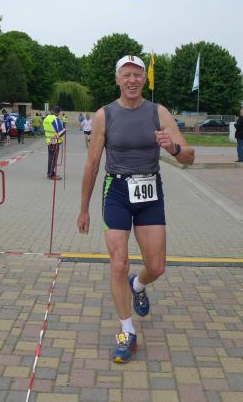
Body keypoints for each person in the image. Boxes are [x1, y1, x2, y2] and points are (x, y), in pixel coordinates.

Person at [77, 55, 194, 363]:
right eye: (126, 75)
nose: (132, 80)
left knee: (157, 267)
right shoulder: (104, 115)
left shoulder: (158, 112)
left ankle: (138, 285)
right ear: (118, 79)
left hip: (149, 191)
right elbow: (92, 165)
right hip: (116, 191)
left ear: (144, 79)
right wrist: (83, 209)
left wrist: (173, 147)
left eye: (137, 75)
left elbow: (189, 157)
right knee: (118, 264)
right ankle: (126, 332)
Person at [43, 106, 65, 180]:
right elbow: (60, 131)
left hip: (49, 141)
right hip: (55, 142)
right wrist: (64, 130)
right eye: (59, 112)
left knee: (50, 158)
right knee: (54, 159)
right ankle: (51, 174)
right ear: (57, 112)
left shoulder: (46, 119)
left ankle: (49, 173)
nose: (59, 114)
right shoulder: (55, 119)